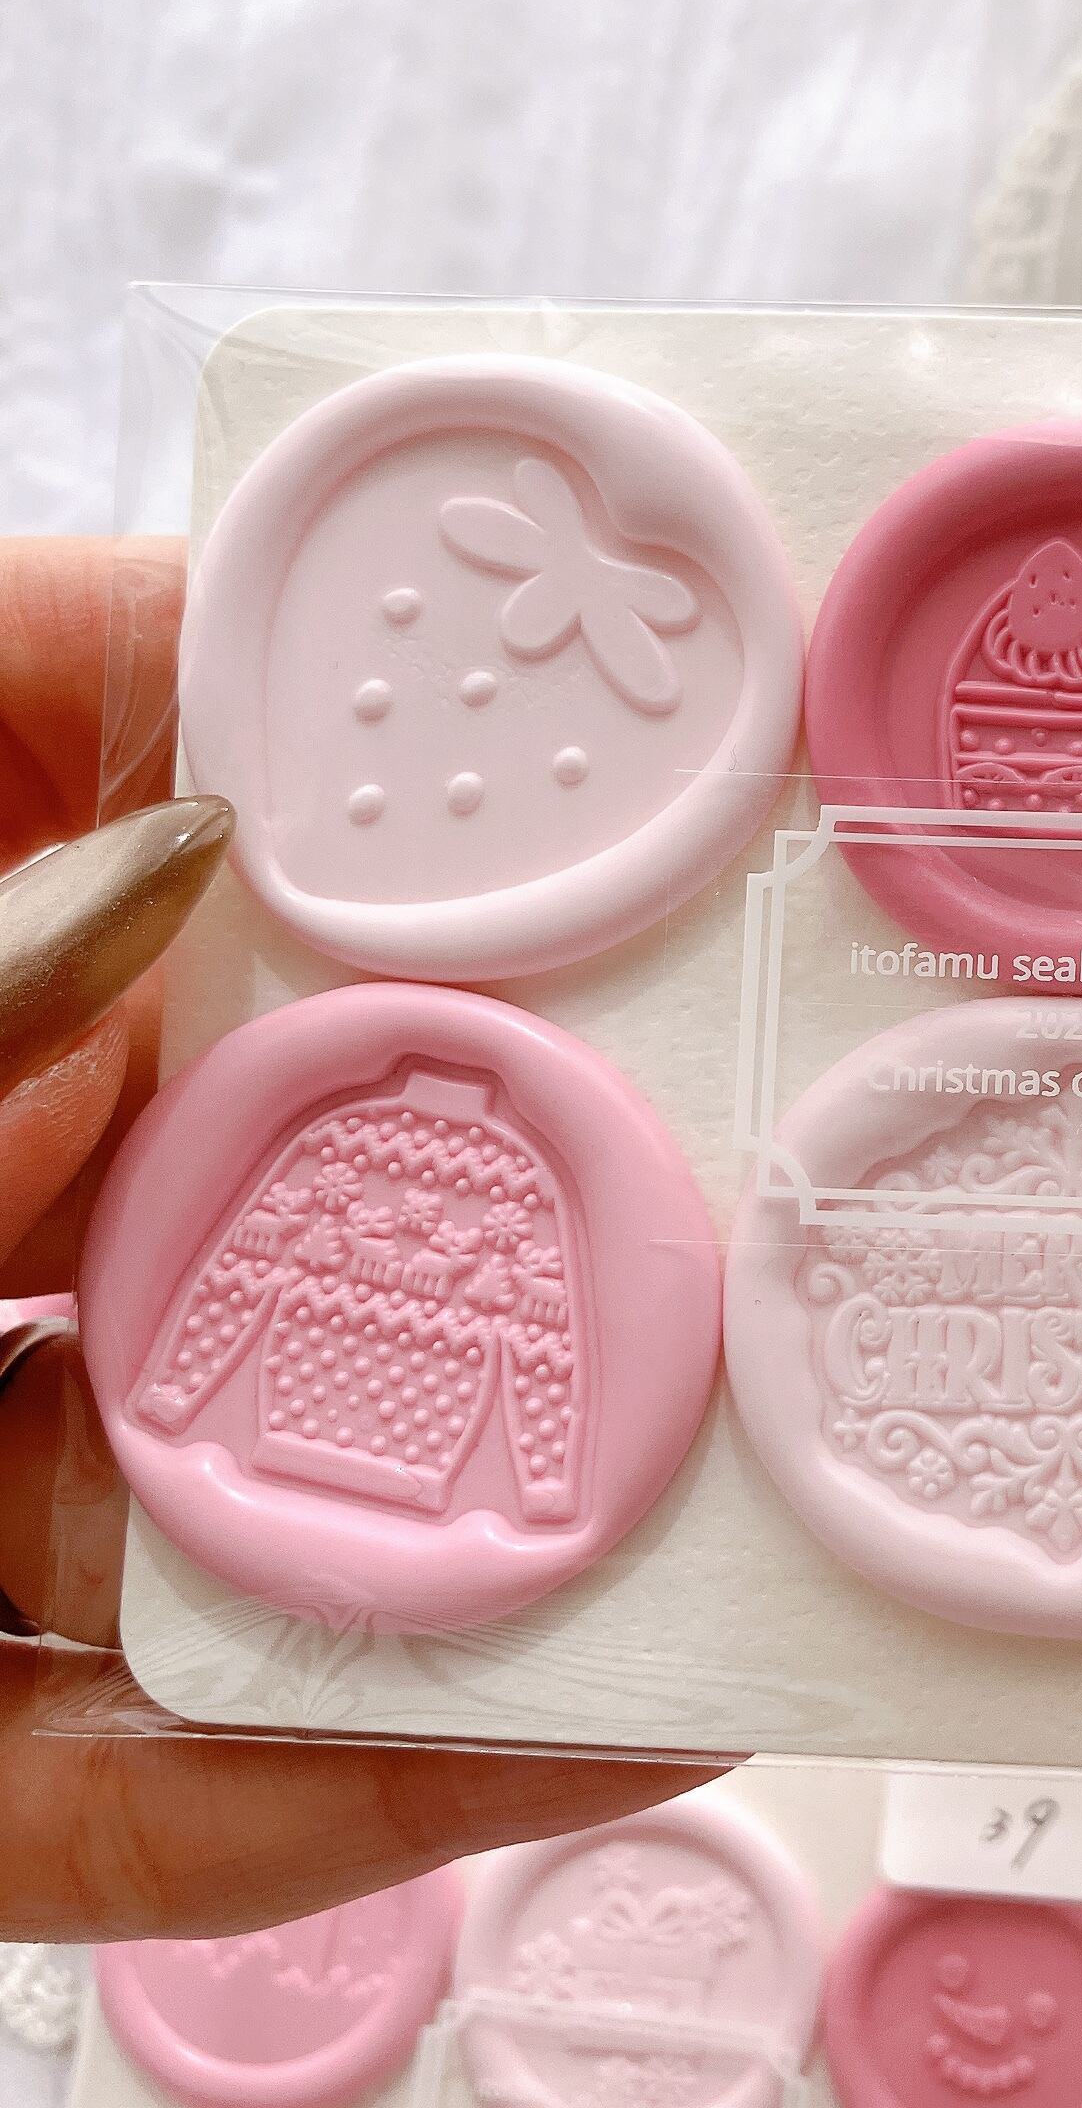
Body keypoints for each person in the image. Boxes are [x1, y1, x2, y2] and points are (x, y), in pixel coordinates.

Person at [0, 539, 695, 1942]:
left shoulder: (396, 1192)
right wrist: (529, 1500)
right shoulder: (404, 1188)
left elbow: (530, 1369)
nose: (420, 1227)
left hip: (357, 1454)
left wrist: (534, 1498)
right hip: (323, 1449)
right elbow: (236, 1312)